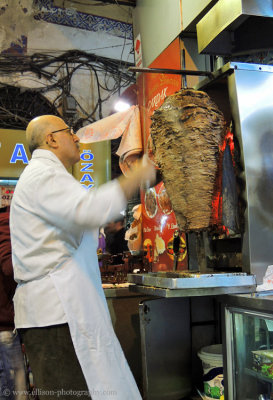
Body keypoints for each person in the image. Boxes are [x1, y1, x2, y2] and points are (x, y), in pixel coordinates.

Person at [9, 115, 156, 400]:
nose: (76, 138)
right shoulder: (43, 175)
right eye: (70, 132)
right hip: (57, 315)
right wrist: (138, 174)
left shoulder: (50, 176)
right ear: (51, 139)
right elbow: (89, 209)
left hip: (62, 311)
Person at [0, 206, 27, 400]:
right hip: (5, 324)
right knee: (16, 390)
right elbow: (10, 268)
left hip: (6, 322)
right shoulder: (6, 221)